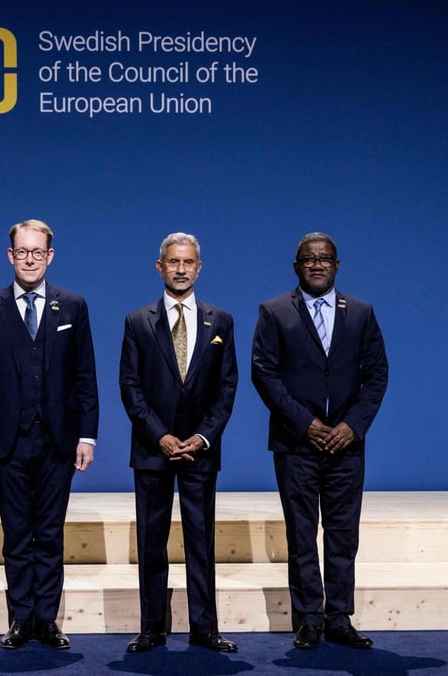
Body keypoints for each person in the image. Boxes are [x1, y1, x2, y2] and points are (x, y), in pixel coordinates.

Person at [0, 219, 99, 650]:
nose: (28, 259)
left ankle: (48, 618)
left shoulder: (72, 306)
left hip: (59, 441)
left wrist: (87, 436)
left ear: (50, 256)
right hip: (7, 441)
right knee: (17, 534)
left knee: (50, 532)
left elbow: (85, 377)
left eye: (36, 252)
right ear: (10, 256)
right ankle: (20, 617)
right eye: (21, 252)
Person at [251, 232, 388, 650]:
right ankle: (308, 617)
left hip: (347, 445)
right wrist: (306, 423)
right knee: (302, 533)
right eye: (308, 259)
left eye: (324, 258)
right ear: (296, 266)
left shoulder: (361, 313)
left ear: (336, 265)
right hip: (297, 444)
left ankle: (339, 616)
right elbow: (264, 373)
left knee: (343, 535)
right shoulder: (274, 311)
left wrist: (353, 426)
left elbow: (377, 374)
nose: (316, 264)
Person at [119, 232, 238, 654]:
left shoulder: (220, 321)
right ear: (160, 267)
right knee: (152, 544)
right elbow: (130, 388)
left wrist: (203, 437)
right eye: (173, 262)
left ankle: (204, 629)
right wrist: (162, 436)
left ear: (199, 268)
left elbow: (227, 388)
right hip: (153, 450)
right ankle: (152, 628)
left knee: (200, 542)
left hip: (200, 452)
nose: (181, 269)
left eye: (188, 262)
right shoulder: (137, 321)